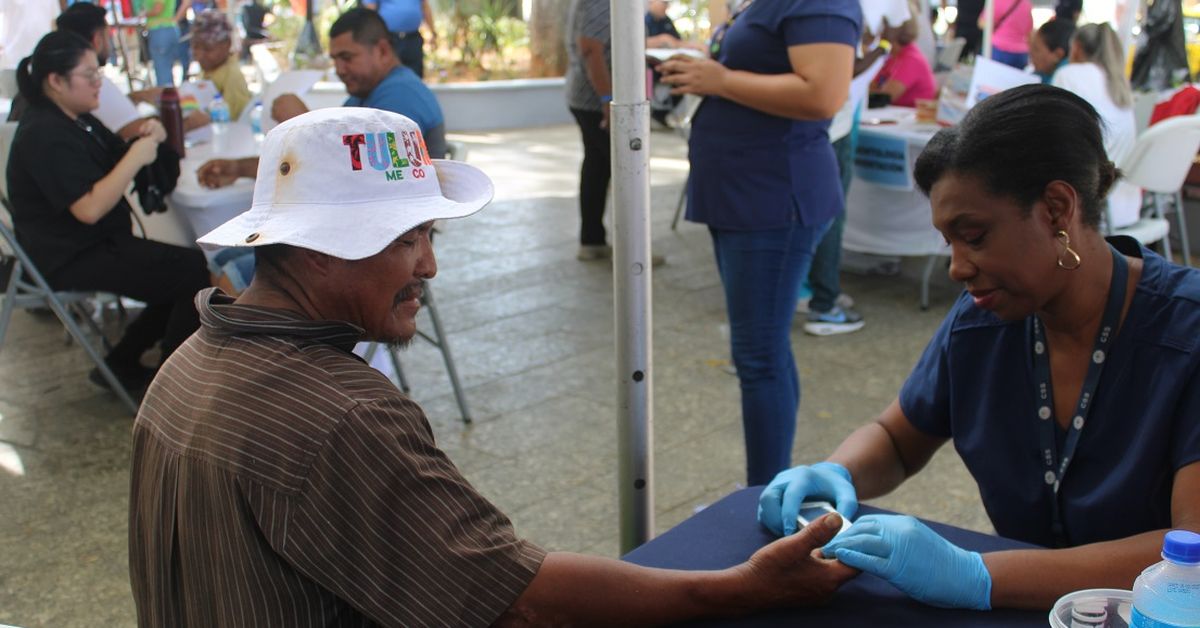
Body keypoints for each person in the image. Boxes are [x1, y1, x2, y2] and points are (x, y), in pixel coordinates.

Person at [128, 106, 858, 625]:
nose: (429, 266)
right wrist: (736, 588)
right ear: (322, 248)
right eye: (408, 239)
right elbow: (519, 601)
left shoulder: (188, 362)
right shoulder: (342, 414)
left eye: (430, 236)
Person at [757, 84, 1200, 611]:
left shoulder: (1187, 334)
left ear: (1056, 209)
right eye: (949, 242)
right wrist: (836, 475)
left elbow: (1192, 556)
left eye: (975, 236)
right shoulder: (983, 322)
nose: (957, 267)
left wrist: (977, 574)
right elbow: (897, 438)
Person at [658, 2, 861, 485]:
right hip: (744, 195)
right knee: (766, 352)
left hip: (771, 199)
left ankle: (764, 500)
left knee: (758, 357)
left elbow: (823, 95)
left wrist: (721, 80)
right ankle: (773, 488)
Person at [6, 31, 210, 394]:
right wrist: (136, 157)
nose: (98, 82)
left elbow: (115, 154)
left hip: (91, 243)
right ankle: (171, 388)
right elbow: (89, 208)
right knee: (192, 271)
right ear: (56, 81)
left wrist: (145, 135)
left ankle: (122, 362)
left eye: (98, 73)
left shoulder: (76, 119)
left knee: (183, 269)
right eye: (89, 75)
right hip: (68, 255)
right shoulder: (44, 133)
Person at [1052, 23, 1139, 229]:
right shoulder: (1118, 83)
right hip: (1126, 209)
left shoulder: (1069, 75)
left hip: (1089, 213)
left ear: (1077, 47)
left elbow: (1053, 141)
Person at [185, 9, 251, 120]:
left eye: (207, 49)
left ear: (227, 45)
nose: (199, 55)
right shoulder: (210, 69)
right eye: (195, 47)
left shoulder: (232, 78)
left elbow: (232, 122)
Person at [870, 5, 937, 108]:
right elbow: (870, 87)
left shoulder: (912, 59)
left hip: (910, 116)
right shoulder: (893, 56)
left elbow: (882, 97)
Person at [359, 0, 436, 78]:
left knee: (415, 72)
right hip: (389, 38)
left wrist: (432, 32)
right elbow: (370, 11)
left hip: (413, 37)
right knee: (389, 73)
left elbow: (425, 7)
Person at [139, 0, 192, 86]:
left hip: (161, 31)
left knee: (163, 71)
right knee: (166, 68)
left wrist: (143, 14)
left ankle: (168, 93)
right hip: (166, 29)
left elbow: (158, 9)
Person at [983, 0, 1032, 70]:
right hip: (1021, 54)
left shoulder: (996, 1)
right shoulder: (1026, 3)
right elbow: (1029, 29)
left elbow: (983, 23)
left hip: (999, 50)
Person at [1029, 17, 1074, 84]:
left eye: (1036, 49)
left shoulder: (1063, 83)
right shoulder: (1042, 74)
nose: (1031, 53)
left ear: (1058, 55)